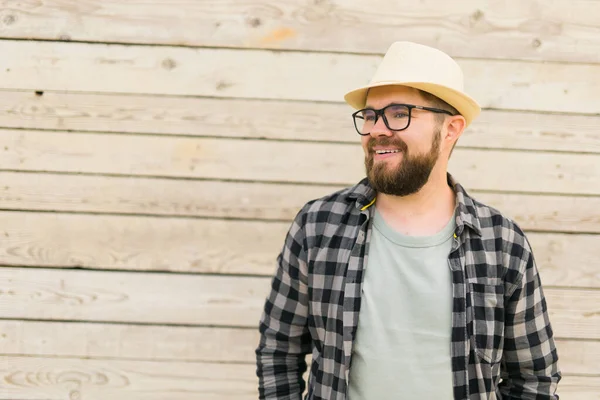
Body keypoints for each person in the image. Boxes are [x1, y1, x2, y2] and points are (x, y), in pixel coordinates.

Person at [255, 41, 560, 400]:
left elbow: (534, 379)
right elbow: (279, 351)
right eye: (370, 116)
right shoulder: (318, 226)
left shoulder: (501, 243)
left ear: (451, 129)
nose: (376, 130)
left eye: (399, 113)